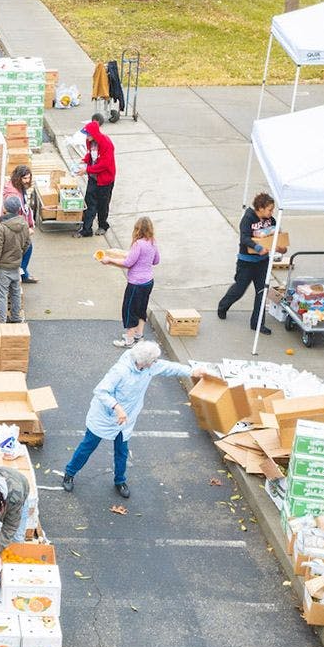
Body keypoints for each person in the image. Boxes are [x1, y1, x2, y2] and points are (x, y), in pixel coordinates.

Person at [63, 340, 205, 498]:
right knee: (87, 447)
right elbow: (101, 391)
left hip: (125, 420)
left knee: (122, 452)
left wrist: (192, 371)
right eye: (153, 361)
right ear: (144, 362)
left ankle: (120, 481)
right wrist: (117, 408)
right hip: (104, 417)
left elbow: (169, 367)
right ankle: (69, 473)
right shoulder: (120, 371)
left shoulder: (150, 366)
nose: (156, 363)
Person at [216, 192, 283, 335]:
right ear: (260, 208)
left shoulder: (271, 221)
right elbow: (244, 238)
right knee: (239, 290)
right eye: (270, 209)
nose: (272, 212)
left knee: (262, 292)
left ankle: (257, 324)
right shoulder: (248, 219)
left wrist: (280, 246)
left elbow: (278, 236)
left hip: (263, 263)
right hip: (246, 262)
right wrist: (258, 248)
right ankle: (223, 306)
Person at [97, 216, 159, 348]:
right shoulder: (152, 242)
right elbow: (156, 261)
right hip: (148, 282)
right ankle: (139, 336)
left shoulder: (138, 244)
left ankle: (129, 340)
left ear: (137, 229)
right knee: (141, 309)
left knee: (130, 309)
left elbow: (128, 263)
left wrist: (109, 260)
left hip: (136, 283)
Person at [0, 195, 31, 324]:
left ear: (5, 209)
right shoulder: (24, 224)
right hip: (16, 264)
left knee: (2, 295)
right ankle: (16, 317)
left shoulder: (2, 227)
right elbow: (27, 244)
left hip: (3, 266)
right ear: (19, 209)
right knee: (16, 292)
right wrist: (19, 256)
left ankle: (1, 320)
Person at [74, 115, 115, 239]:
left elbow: (104, 164)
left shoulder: (106, 143)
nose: (87, 137)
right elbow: (90, 155)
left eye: (88, 134)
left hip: (105, 180)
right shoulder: (90, 142)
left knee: (103, 204)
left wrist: (87, 169)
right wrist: (85, 160)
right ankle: (87, 229)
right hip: (93, 178)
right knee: (90, 202)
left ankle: (103, 225)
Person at [2, 166, 38, 283]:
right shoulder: (13, 194)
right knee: (26, 248)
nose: (28, 180)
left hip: (19, 224)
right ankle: (20, 273)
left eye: (29, 177)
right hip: (15, 227)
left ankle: (22, 273)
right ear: (19, 178)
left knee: (24, 248)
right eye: (25, 178)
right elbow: (12, 214)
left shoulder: (20, 188)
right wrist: (25, 229)